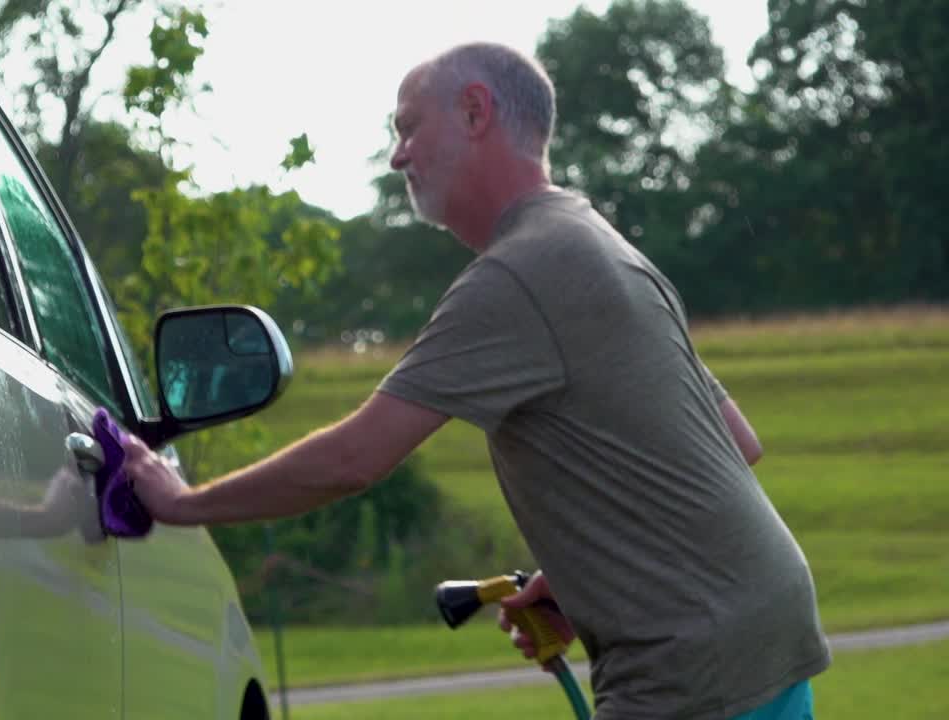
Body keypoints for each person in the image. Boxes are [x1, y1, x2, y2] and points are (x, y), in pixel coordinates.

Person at [122, 42, 830, 719]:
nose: (398, 153)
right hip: (763, 625)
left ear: (474, 110)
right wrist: (582, 581)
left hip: (691, 669)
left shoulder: (518, 273)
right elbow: (737, 441)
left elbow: (352, 459)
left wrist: (181, 503)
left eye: (407, 127)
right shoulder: (601, 245)